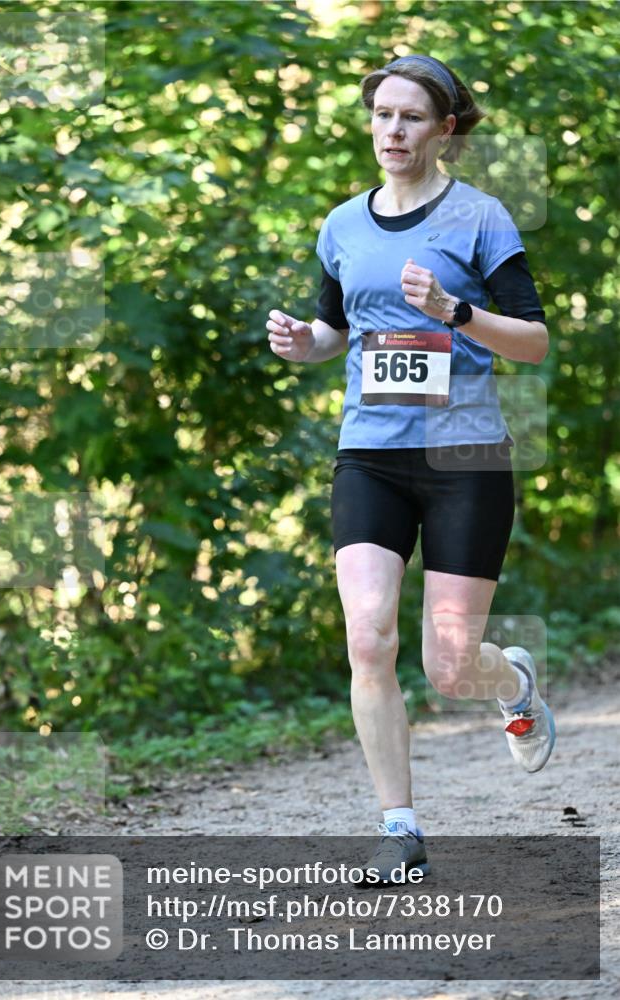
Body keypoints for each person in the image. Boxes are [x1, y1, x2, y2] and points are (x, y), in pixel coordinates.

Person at [265, 54, 555, 883]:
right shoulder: (340, 225)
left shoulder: (479, 219)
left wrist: (455, 312)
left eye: (410, 118)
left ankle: (512, 684)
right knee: (367, 637)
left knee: (450, 666)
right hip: (369, 454)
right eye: (381, 115)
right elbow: (333, 334)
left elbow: (532, 343)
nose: (391, 131)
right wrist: (302, 346)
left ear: (445, 129)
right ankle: (399, 827)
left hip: (463, 454)